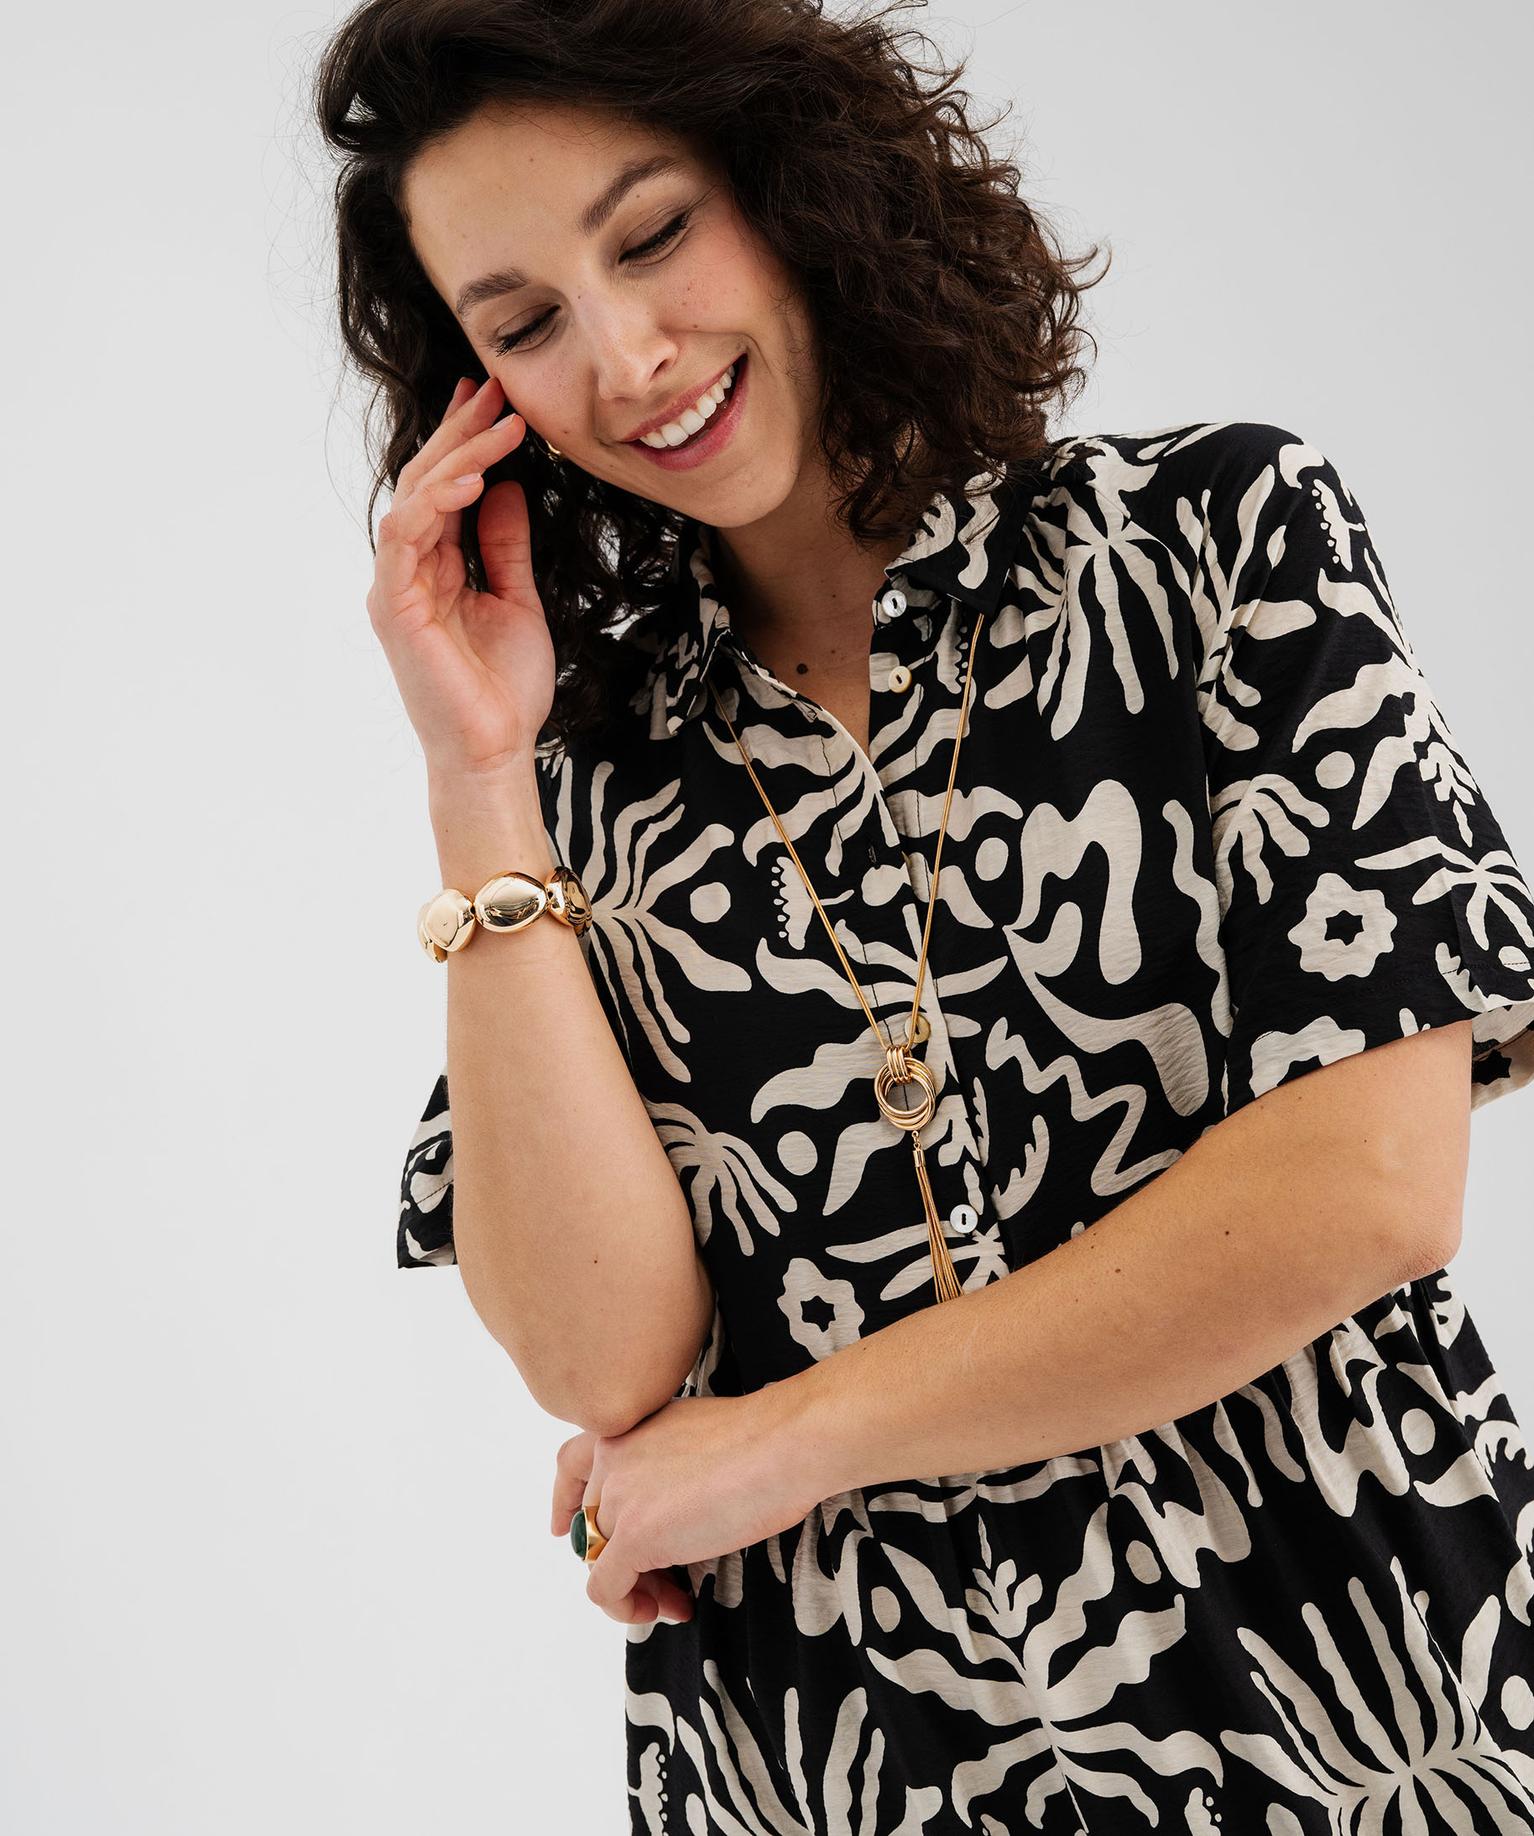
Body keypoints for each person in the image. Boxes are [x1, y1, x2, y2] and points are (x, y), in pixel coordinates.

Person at [315, 0, 1534, 1827]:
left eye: (652, 235)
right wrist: (478, 772)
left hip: (1351, 1700)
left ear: (790, 182)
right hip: (847, 1761)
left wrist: (781, 1446)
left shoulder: (1208, 544)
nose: (627, 358)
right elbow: (597, 1359)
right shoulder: (585, 787)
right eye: (524, 326)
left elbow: (1360, 1191)